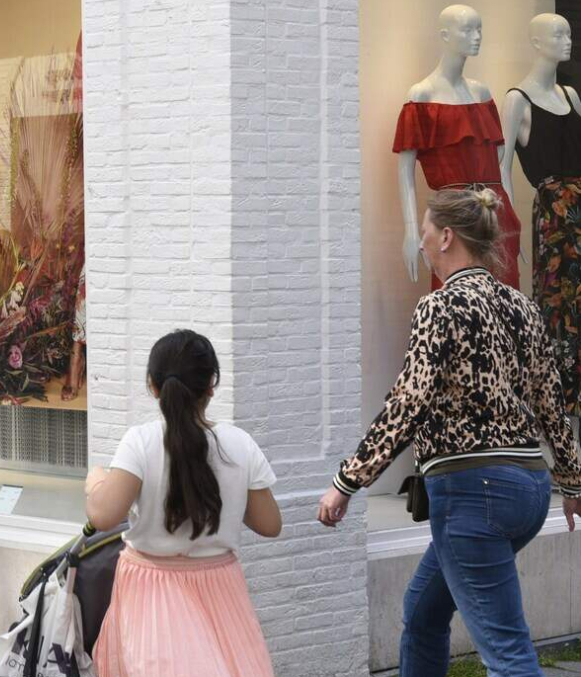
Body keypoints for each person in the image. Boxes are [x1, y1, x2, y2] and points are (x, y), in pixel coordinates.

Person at [319, 187, 581, 677]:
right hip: (527, 489)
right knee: (423, 613)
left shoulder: (438, 307)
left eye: (424, 233)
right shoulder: (521, 306)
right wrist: (570, 481)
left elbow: (408, 403)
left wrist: (348, 481)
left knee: (507, 652)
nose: (420, 243)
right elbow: (551, 399)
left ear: (446, 237)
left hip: (474, 494)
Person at [84, 329, 280, 677]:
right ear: (211, 385)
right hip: (220, 589)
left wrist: (96, 482)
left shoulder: (140, 442)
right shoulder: (240, 444)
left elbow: (103, 515)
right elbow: (269, 524)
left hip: (151, 590)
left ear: (153, 386)